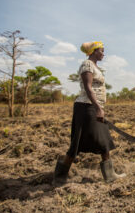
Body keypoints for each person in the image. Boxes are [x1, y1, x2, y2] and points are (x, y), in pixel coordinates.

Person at [53, 41, 126, 185]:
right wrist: (98, 107)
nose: (103, 53)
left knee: (104, 140)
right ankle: (59, 177)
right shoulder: (87, 65)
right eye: (101, 50)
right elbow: (88, 87)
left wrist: (99, 107)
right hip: (86, 107)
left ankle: (110, 175)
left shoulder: (95, 67)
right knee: (77, 143)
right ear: (93, 51)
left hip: (93, 106)